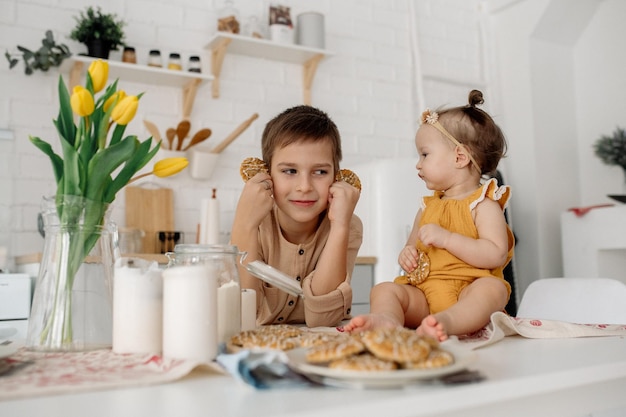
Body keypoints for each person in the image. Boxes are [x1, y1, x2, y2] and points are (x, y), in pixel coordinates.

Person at [344, 90, 514, 342]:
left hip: (467, 292)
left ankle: (449, 322)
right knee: (385, 289)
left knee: (492, 290)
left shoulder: (483, 205)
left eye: (424, 154)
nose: (418, 164)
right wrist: (407, 254)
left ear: (459, 157)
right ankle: (388, 320)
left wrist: (447, 239)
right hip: (424, 295)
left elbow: (495, 254)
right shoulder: (426, 208)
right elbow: (412, 246)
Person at [231, 105, 363, 328]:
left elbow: (324, 319)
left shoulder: (348, 225)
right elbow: (242, 314)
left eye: (320, 172)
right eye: (290, 171)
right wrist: (245, 226)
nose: (304, 187)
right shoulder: (255, 222)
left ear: (336, 176)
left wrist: (340, 226)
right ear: (266, 173)